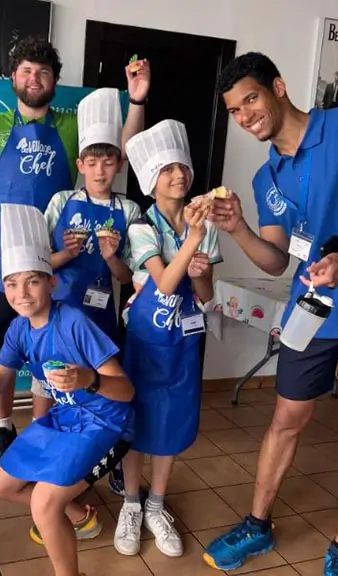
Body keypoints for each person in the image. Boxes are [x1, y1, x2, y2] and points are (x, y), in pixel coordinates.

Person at [0, 35, 151, 469]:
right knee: (0, 346)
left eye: (42, 71)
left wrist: (136, 101)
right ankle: (4, 427)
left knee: (54, 345)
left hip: (58, 265)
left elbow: (122, 151)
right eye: (25, 70)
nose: (34, 78)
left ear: (54, 80)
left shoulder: (73, 125)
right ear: (13, 78)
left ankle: (67, 425)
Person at [203, 52, 338, 576]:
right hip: (312, 313)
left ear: (279, 88)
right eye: (235, 111)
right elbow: (275, 258)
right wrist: (238, 227)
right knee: (285, 419)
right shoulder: (269, 178)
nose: (245, 117)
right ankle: (257, 523)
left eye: (250, 99)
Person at [0, 203, 134, 576]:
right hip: (66, 417)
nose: (21, 293)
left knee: (42, 503)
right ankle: (79, 515)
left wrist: (87, 380)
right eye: (11, 283)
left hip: (106, 422)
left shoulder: (74, 322)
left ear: (51, 282)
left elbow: (125, 391)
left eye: (32, 280)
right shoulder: (17, 329)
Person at [112, 120, 221, 558]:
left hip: (184, 343)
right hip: (145, 342)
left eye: (183, 167)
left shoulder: (206, 226)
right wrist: (191, 241)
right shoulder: (141, 226)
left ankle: (157, 505)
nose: (179, 175)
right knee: (138, 424)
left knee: (172, 423)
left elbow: (206, 296)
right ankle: (132, 504)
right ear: (150, 180)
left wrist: (204, 271)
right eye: (167, 169)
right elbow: (159, 283)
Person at [38, 87, 140, 419]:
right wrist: (66, 254)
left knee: (99, 390)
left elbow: (129, 278)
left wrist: (111, 256)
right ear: (80, 164)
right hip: (57, 312)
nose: (100, 172)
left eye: (108, 163)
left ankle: (98, 450)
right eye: (92, 163)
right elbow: (37, 265)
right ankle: (42, 448)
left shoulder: (129, 209)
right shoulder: (61, 202)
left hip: (101, 317)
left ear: (119, 165)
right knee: (49, 385)